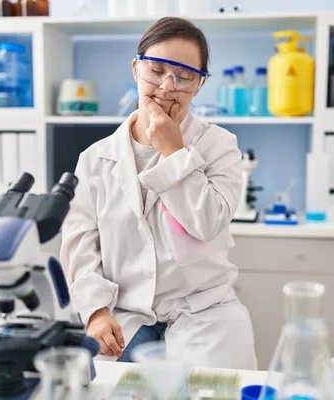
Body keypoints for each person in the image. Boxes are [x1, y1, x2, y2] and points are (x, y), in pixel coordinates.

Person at [60, 16, 257, 370]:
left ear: (198, 85)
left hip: (205, 315)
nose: (167, 86)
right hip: (125, 317)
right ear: (136, 69)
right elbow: (81, 245)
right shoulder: (95, 159)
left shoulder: (220, 147)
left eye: (183, 77)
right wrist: (95, 311)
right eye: (156, 70)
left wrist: (174, 153)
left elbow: (207, 223)